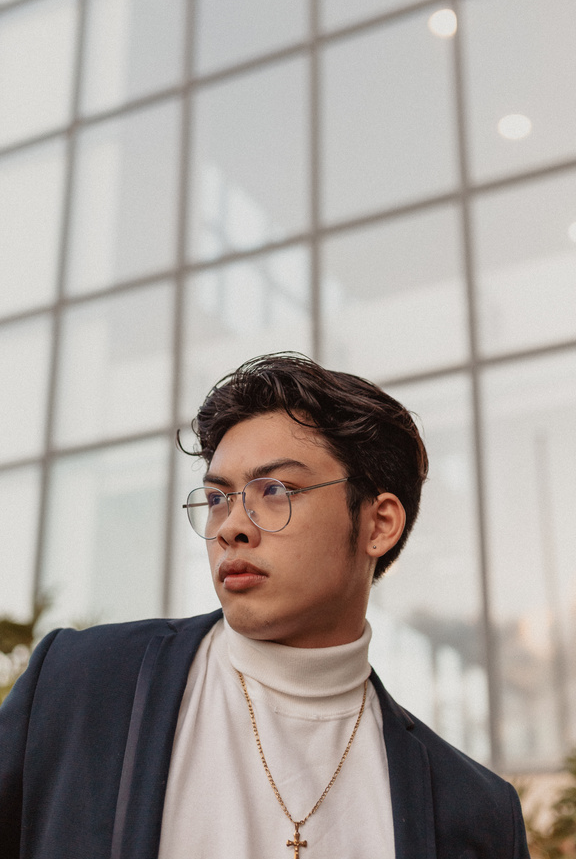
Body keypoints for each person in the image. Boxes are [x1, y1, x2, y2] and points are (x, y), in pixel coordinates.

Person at [0, 353, 529, 859]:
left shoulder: (475, 811)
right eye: (216, 499)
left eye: (274, 490)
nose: (230, 526)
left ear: (379, 523)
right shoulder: (81, 685)